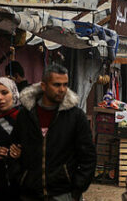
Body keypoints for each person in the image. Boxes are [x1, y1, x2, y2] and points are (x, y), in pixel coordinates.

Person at [10, 64, 96, 201]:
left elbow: (88, 157)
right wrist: (20, 180)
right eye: (56, 85)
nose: (62, 89)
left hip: (63, 194)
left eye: (65, 85)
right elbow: (13, 149)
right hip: (30, 194)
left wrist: (77, 189)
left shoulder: (76, 117)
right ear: (43, 86)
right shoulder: (25, 115)